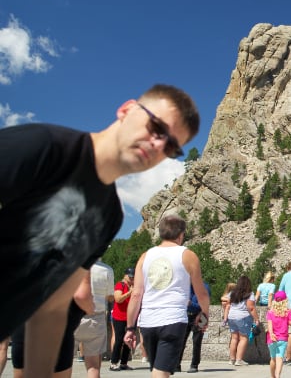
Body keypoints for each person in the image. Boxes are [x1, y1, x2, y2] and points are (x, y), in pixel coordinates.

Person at [0, 84, 199, 378]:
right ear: (126, 110)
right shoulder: (44, 147)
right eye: (156, 127)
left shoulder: (110, 216)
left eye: (170, 146)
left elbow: (54, 305)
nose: (158, 144)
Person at [123, 215, 210, 378]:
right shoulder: (188, 255)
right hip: (173, 319)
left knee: (157, 369)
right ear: (181, 234)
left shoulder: (145, 256)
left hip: (148, 322)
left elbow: (136, 295)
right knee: (160, 372)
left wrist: (130, 328)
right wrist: (204, 315)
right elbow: (202, 293)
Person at [11, 271, 94, 378]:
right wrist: (90, 308)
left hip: (23, 318)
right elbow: (82, 296)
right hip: (56, 322)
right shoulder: (75, 259)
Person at [74, 260, 116, 378]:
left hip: (72, 316)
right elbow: (110, 297)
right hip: (96, 317)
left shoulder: (70, 265)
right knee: (93, 366)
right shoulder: (106, 270)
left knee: (63, 365)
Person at [222, 275, 259, 366]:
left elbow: (224, 300)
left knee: (234, 338)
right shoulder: (249, 294)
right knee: (243, 338)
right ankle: (239, 360)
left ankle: (232, 359)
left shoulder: (233, 293)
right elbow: (251, 307)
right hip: (243, 317)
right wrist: (256, 319)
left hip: (231, 316)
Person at [177, 279, 210, 373]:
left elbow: (204, 305)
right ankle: (176, 364)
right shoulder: (184, 286)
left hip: (201, 315)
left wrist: (191, 304)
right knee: (180, 341)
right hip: (185, 315)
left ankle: (194, 365)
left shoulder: (204, 287)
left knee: (197, 341)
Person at [110, 268, 135, 371]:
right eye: (130, 277)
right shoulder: (120, 285)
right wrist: (129, 293)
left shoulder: (132, 286)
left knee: (129, 340)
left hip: (129, 317)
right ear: (125, 275)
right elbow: (118, 299)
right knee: (119, 339)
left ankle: (124, 363)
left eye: (133, 277)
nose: (132, 279)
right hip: (119, 317)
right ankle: (113, 363)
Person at [266, 290, 291, 378]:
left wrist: (271, 334)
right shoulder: (288, 312)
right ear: (285, 300)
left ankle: (273, 376)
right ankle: (278, 375)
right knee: (280, 358)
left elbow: (269, 325)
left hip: (272, 338)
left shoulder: (270, 312)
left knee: (273, 358)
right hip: (283, 338)